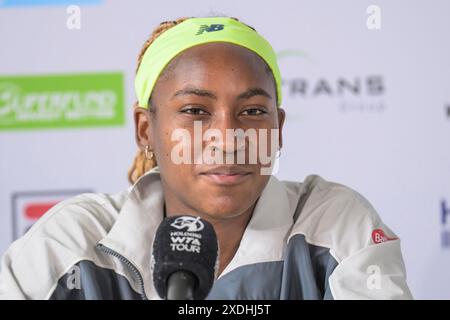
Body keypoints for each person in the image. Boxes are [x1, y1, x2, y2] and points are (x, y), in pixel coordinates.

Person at [0, 16, 412, 300]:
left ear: (279, 129)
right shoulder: (73, 241)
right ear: (146, 129)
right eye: (196, 111)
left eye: (252, 112)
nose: (228, 139)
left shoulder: (336, 225)